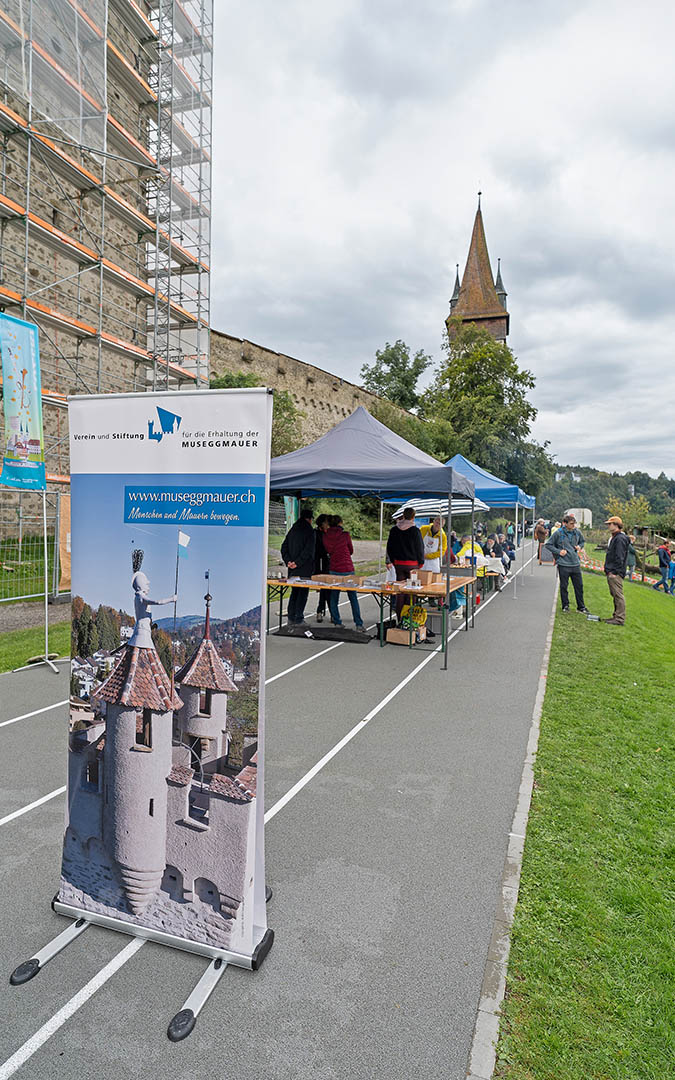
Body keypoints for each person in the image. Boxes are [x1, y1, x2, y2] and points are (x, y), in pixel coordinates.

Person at [322, 516, 364, 628]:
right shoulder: (345, 535)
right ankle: (359, 624)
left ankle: (337, 621)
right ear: (340, 523)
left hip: (334, 568)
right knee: (353, 597)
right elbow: (350, 550)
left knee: (334, 597)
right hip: (347, 568)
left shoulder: (325, 536)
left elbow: (328, 550)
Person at [544, 513, 590, 614]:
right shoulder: (558, 533)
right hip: (564, 564)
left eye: (574, 523)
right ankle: (565, 605)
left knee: (579, 586)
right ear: (564, 523)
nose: (574, 526)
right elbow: (548, 545)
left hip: (575, 563)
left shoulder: (577, 532)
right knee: (564, 586)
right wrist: (558, 552)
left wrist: (580, 547)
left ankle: (581, 607)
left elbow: (582, 542)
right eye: (571, 524)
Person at [386, 506, 425, 620]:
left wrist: (393, 560)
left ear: (403, 515)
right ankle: (409, 618)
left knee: (401, 592)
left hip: (398, 564)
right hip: (412, 564)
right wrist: (421, 562)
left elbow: (389, 547)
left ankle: (399, 617)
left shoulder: (394, 530)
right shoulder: (415, 530)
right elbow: (420, 548)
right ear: (413, 517)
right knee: (412, 591)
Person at [280, 507, 316, 625]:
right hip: (304, 568)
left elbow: (284, 547)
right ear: (310, 519)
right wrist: (298, 562)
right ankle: (299, 618)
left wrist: (288, 561)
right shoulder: (310, 531)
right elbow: (308, 551)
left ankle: (291, 617)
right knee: (302, 593)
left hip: (291, 569)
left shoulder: (293, 529)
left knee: (294, 592)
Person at [603, 516, 630, 625]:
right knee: (615, 594)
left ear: (616, 524)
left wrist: (614, 572)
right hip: (613, 571)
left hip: (615, 572)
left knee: (618, 595)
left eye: (610, 524)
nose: (608, 526)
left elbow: (620, 557)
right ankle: (616, 616)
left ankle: (619, 618)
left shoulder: (620, 538)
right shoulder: (616, 537)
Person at [313, 513, 331, 621]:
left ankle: (320, 610)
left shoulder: (328, 533)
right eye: (326, 523)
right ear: (322, 523)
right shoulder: (316, 534)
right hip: (319, 565)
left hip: (327, 565)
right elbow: (318, 551)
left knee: (326, 589)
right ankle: (322, 611)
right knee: (325, 589)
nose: (328, 525)